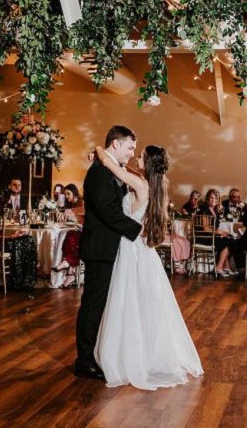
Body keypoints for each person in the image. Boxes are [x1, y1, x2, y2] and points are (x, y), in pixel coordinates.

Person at [93, 142, 203, 389]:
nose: (136, 158)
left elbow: (110, 163)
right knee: (146, 302)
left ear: (149, 163)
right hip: (143, 251)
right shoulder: (156, 184)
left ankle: (130, 358)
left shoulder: (140, 185)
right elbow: (129, 169)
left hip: (130, 248)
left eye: (140, 156)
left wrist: (100, 149)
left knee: (129, 300)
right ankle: (148, 353)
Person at [76, 126, 144, 381]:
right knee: (92, 305)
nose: (131, 153)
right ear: (115, 144)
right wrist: (139, 230)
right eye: (129, 147)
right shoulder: (99, 174)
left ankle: (98, 354)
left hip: (111, 248)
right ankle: (84, 361)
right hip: (99, 249)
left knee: (104, 305)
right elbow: (108, 212)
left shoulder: (111, 170)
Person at [215, 192, 247, 277]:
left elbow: (245, 223)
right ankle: (229, 267)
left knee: (230, 243)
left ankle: (231, 267)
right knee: (235, 241)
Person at [197, 189, 230, 254]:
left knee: (230, 240)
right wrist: (219, 232)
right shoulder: (204, 210)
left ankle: (223, 264)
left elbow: (216, 226)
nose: (213, 200)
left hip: (211, 236)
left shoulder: (215, 210)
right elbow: (205, 228)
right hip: (203, 237)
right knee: (227, 242)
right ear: (208, 198)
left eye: (216, 198)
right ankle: (222, 264)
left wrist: (223, 232)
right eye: (211, 198)